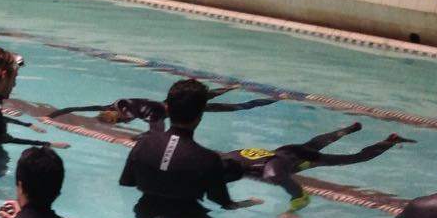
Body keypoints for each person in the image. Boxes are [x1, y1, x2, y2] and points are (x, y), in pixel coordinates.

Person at [118, 78, 262, 218]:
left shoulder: (143, 144)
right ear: (199, 117)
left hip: (147, 205)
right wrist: (238, 200)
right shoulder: (207, 159)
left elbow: (127, 181)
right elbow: (219, 199)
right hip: (187, 210)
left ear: (167, 107)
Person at [220, 121, 414, 218]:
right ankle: (349, 129)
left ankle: (391, 140)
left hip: (300, 161)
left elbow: (302, 196)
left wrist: (290, 212)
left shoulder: (273, 175)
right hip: (286, 150)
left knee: (355, 158)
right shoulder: (229, 156)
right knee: (314, 143)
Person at [0, 48, 68, 186]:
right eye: (14, 78)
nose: (14, 84)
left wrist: (27, 125)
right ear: (4, 76)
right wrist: (47, 144)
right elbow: (3, 136)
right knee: (0, 164)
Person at [48, 84, 280, 129]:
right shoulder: (122, 109)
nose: (122, 120)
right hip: (176, 106)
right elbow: (80, 107)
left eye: (117, 119)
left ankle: (235, 87)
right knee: (232, 106)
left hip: (177, 107)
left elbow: (155, 127)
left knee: (225, 103)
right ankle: (272, 98)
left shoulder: (124, 108)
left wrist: (55, 114)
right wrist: (57, 114)